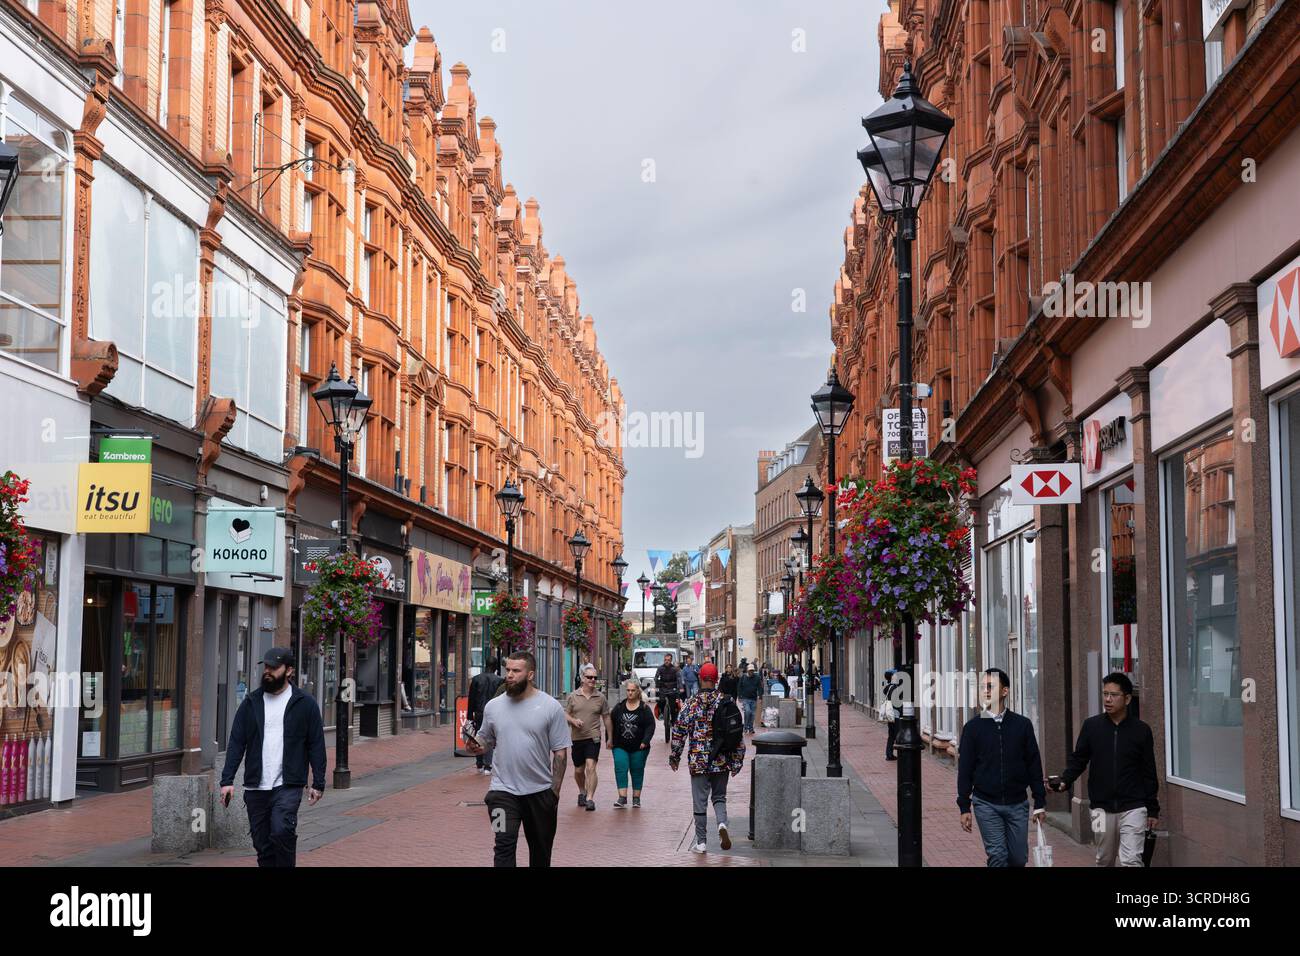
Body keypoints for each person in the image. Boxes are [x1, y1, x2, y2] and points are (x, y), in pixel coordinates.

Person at [219, 647, 326, 868]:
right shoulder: (251, 702)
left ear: (289, 671)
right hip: (256, 785)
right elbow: (237, 742)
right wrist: (227, 781)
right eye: (266, 667)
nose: (267, 671)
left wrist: (318, 782)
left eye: (273, 668)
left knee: (281, 830)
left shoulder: (305, 703)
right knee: (262, 843)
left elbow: (316, 743)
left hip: (288, 783)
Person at [465, 651, 570, 867]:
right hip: (502, 792)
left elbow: (560, 752)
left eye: (516, 671)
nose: (509, 675)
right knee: (503, 845)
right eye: (508, 670)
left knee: (541, 854)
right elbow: (486, 740)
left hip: (540, 794)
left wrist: (554, 793)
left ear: (530, 674)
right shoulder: (493, 706)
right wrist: (476, 746)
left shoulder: (550, 707)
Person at [1048, 672, 1160, 867]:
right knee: (1104, 859)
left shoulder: (1141, 730)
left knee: (1131, 861)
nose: (1108, 699)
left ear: (1126, 699)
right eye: (1105, 694)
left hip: (1133, 806)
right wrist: (1066, 780)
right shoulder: (1092, 727)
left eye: (1113, 695)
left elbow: (1149, 771)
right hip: (1100, 808)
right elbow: (1079, 759)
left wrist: (1152, 810)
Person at [955, 668, 1047, 867]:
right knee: (997, 856)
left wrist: (1039, 802)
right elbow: (965, 770)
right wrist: (964, 806)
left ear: (1005, 691)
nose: (985, 691)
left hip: (1018, 804)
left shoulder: (1022, 725)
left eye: (991, 686)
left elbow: (1034, 764)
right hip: (986, 804)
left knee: (1018, 859)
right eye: (982, 687)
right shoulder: (973, 728)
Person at [669, 663, 745, 853]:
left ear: (701, 678)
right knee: (719, 797)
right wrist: (736, 761)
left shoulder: (691, 703)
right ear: (716, 680)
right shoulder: (726, 702)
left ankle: (701, 842)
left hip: (698, 760)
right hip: (721, 759)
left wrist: (675, 756)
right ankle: (721, 824)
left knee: (699, 802)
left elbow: (679, 732)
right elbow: (737, 733)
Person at [564, 663, 612, 810]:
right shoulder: (573, 696)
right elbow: (565, 714)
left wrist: (610, 737)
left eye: (594, 678)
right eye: (589, 677)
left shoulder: (601, 697)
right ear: (583, 678)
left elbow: (606, 718)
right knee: (579, 770)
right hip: (577, 738)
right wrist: (573, 720)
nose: (592, 680)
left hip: (593, 737)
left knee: (591, 767)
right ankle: (582, 792)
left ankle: (590, 798)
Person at [609, 679, 655, 808]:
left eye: (632, 690)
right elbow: (610, 723)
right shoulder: (619, 708)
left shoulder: (644, 709)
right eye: (628, 690)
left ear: (637, 691)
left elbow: (650, 726)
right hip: (620, 745)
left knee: (637, 770)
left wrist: (645, 741)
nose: (630, 693)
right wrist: (610, 739)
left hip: (639, 747)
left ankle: (636, 798)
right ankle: (622, 797)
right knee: (620, 767)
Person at [467, 657, 504, 775]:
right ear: (495, 667)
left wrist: (469, 715)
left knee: (478, 737)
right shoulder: (499, 680)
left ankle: (479, 763)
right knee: (490, 737)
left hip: (479, 712)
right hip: (494, 713)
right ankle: (488, 765)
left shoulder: (477, 679)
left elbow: (471, 698)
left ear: (485, 664)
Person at [654, 653, 682, 723]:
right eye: (665, 660)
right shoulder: (660, 668)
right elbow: (656, 677)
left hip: (672, 689)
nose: (667, 661)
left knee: (673, 707)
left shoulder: (675, 669)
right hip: (663, 688)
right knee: (661, 701)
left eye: (668, 660)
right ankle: (662, 713)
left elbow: (679, 679)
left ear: (671, 660)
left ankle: (673, 720)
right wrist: (657, 683)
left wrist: (680, 687)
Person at [882, 669, 903, 760]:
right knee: (898, 734)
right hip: (895, 714)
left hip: (891, 715)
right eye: (895, 675)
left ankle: (889, 754)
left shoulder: (888, 687)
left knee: (891, 735)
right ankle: (901, 754)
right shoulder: (894, 688)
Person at [737, 664, 763, 734]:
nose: (751, 672)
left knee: (752, 714)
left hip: (753, 698)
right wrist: (739, 696)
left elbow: (760, 687)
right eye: (750, 670)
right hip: (745, 698)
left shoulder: (757, 677)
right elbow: (739, 686)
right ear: (747, 671)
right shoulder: (743, 677)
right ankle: (745, 727)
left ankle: (750, 728)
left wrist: (760, 696)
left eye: (752, 671)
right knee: (748, 712)